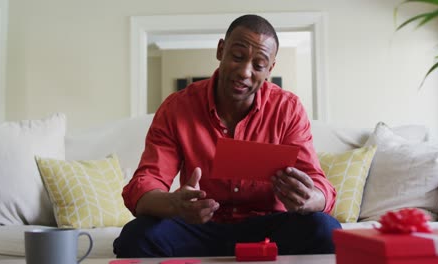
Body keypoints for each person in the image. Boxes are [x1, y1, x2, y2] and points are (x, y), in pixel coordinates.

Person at [113, 14, 341, 258]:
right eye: (237, 57)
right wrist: (174, 204)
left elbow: (319, 184)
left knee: (326, 230)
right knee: (135, 236)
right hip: (198, 227)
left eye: (258, 64)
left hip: (269, 228)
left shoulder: (288, 109)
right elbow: (147, 181)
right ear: (221, 50)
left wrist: (310, 198)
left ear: (270, 69)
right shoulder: (177, 107)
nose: (245, 71)